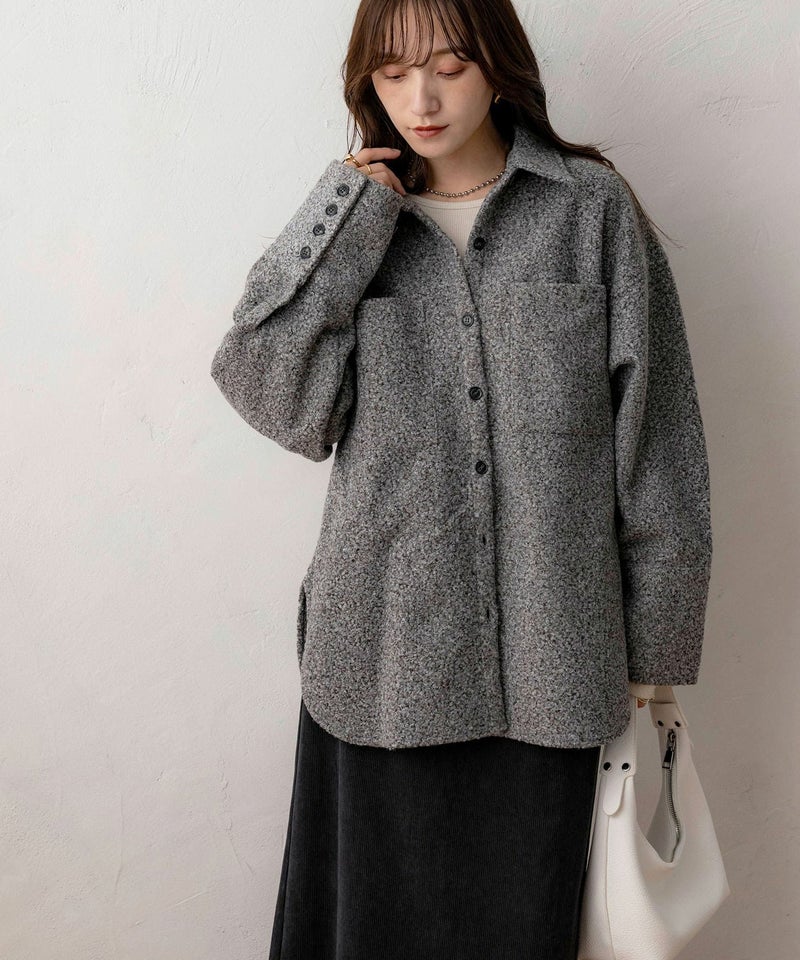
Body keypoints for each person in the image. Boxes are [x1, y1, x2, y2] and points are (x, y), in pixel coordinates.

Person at [210, 1, 713, 957]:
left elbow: (659, 448)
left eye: (449, 67)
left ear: (498, 65)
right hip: (383, 662)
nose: (423, 100)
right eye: (394, 73)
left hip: (557, 666)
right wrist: (345, 214)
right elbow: (276, 400)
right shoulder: (358, 228)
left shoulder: (590, 211)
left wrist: (653, 666)